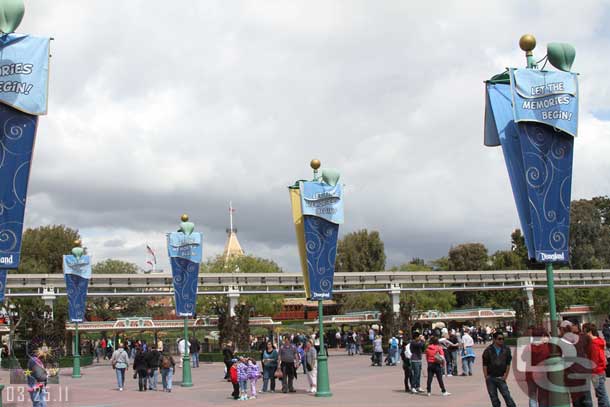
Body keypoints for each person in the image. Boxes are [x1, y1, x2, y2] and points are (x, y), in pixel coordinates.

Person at [482, 332, 516, 407]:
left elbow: (508, 363)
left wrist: (505, 376)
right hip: (491, 377)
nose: (501, 341)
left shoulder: (506, 349)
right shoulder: (488, 350)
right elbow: (485, 364)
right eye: (499, 339)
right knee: (494, 398)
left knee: (507, 396)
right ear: (494, 339)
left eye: (503, 339)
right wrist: (486, 376)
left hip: (501, 377)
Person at [585, 323, 610, 407]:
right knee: (601, 394)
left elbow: (593, 361)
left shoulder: (593, 344)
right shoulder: (599, 341)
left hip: (596, 372)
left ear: (589, 332)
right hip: (600, 371)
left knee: (601, 395)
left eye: (584, 331)